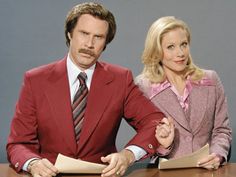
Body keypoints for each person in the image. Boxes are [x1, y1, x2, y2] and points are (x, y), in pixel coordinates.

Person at [6, 3, 174, 177]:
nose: (89, 44)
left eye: (98, 37)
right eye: (84, 33)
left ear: (106, 43)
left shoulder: (120, 79)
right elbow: (18, 143)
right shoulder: (36, 80)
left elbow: (155, 122)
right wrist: (33, 163)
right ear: (70, 33)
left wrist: (128, 155)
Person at [135, 16, 232, 170]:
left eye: (184, 44)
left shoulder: (210, 80)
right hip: (166, 172)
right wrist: (163, 147)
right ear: (157, 51)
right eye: (171, 47)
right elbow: (145, 139)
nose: (180, 53)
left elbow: (222, 130)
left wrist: (217, 155)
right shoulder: (144, 87)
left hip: (207, 171)